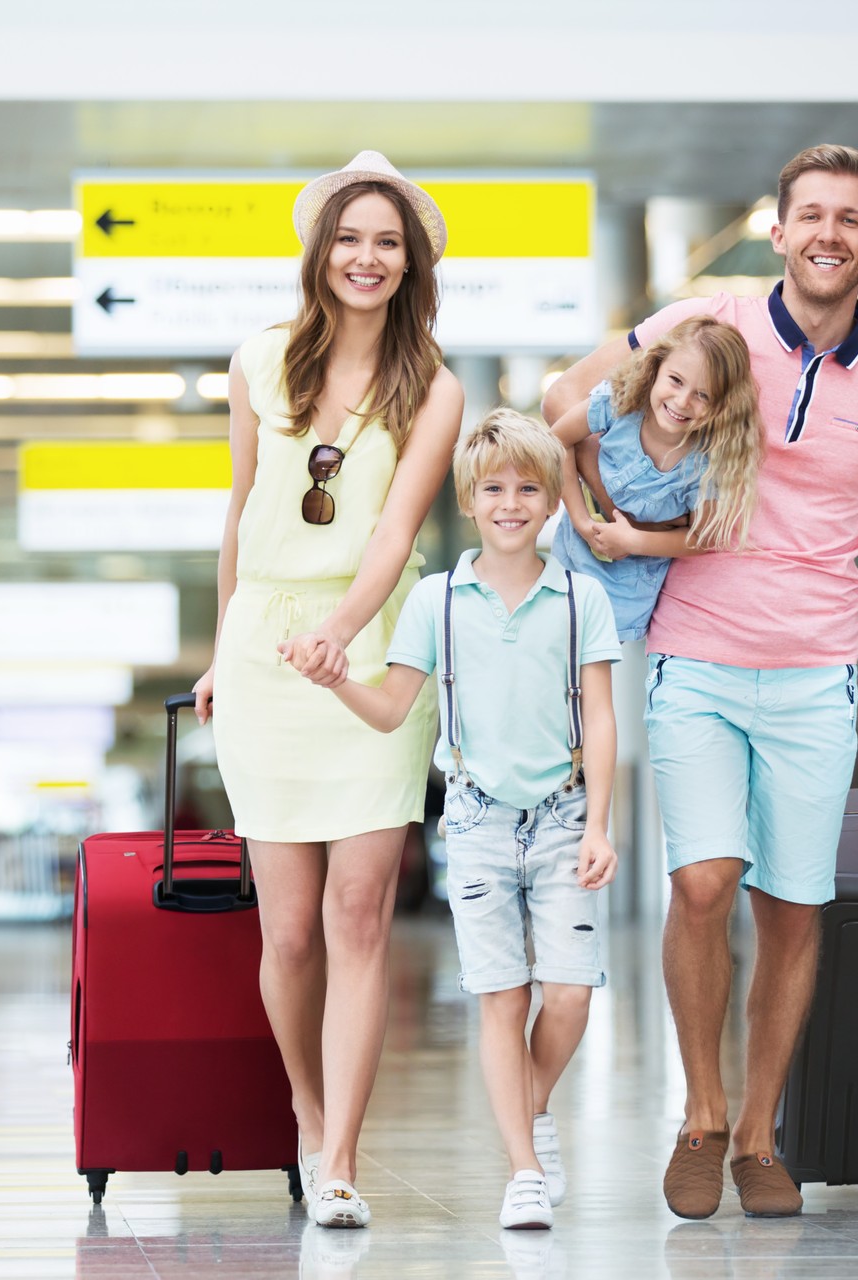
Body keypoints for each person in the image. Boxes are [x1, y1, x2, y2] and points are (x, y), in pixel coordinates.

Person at [542, 143, 858, 1220]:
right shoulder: (710, 323)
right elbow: (568, 395)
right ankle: (700, 1114)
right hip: (694, 651)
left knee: (791, 905)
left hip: (816, 668)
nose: (828, 233)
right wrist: (615, 518)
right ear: (778, 231)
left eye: (851, 219)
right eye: (810, 215)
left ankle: (757, 1133)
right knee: (702, 882)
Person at [191, 150, 463, 1229]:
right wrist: (225, 646)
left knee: (359, 916)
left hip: (369, 652)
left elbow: (395, 532)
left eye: (387, 242)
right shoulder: (259, 358)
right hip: (264, 647)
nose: (366, 257)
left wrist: (342, 634)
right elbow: (239, 511)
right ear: (321, 251)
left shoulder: (435, 387)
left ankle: (342, 1155)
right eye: (349, 238)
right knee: (289, 929)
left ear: (412, 262)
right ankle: (306, 1104)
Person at [305, 410, 621, 1229]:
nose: (510, 503)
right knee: (501, 999)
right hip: (477, 824)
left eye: (527, 487)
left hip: (562, 817)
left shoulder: (582, 598)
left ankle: (530, 1107)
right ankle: (522, 1169)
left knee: (573, 995)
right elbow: (391, 709)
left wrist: (600, 826)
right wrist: (338, 677)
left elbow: (604, 716)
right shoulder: (436, 601)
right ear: (468, 502)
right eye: (493, 489)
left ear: (552, 499)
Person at [548, 314, 763, 641]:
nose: (682, 401)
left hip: (628, 591)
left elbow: (703, 538)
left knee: (592, 669)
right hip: (569, 560)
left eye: (703, 395)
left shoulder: (707, 462)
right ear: (656, 367)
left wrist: (634, 540)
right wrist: (580, 520)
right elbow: (557, 440)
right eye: (676, 380)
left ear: (724, 405)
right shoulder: (618, 402)